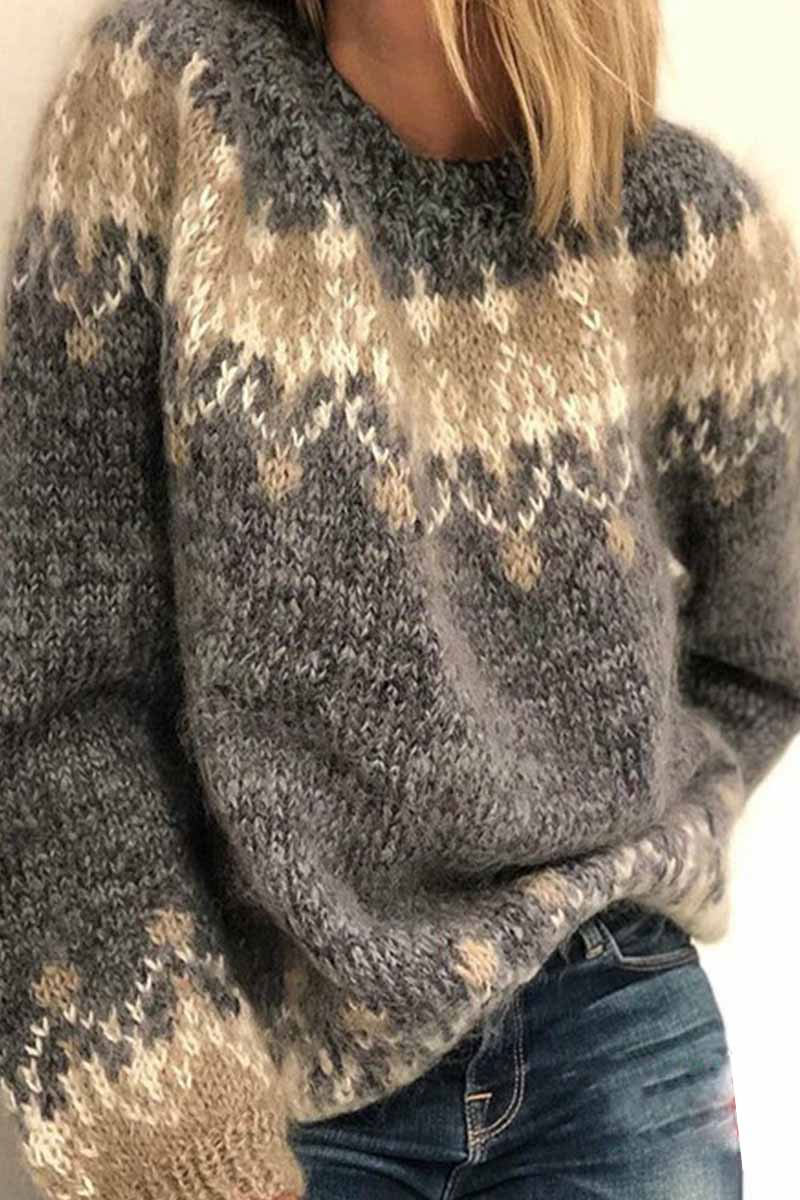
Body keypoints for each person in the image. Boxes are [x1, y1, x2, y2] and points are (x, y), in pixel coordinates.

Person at [2, 0, 798, 1196]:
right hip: (271, 1076)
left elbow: (761, 649)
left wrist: (634, 794)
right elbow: (50, 680)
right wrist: (173, 1132)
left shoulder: (683, 227)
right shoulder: (177, 101)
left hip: (610, 1033)